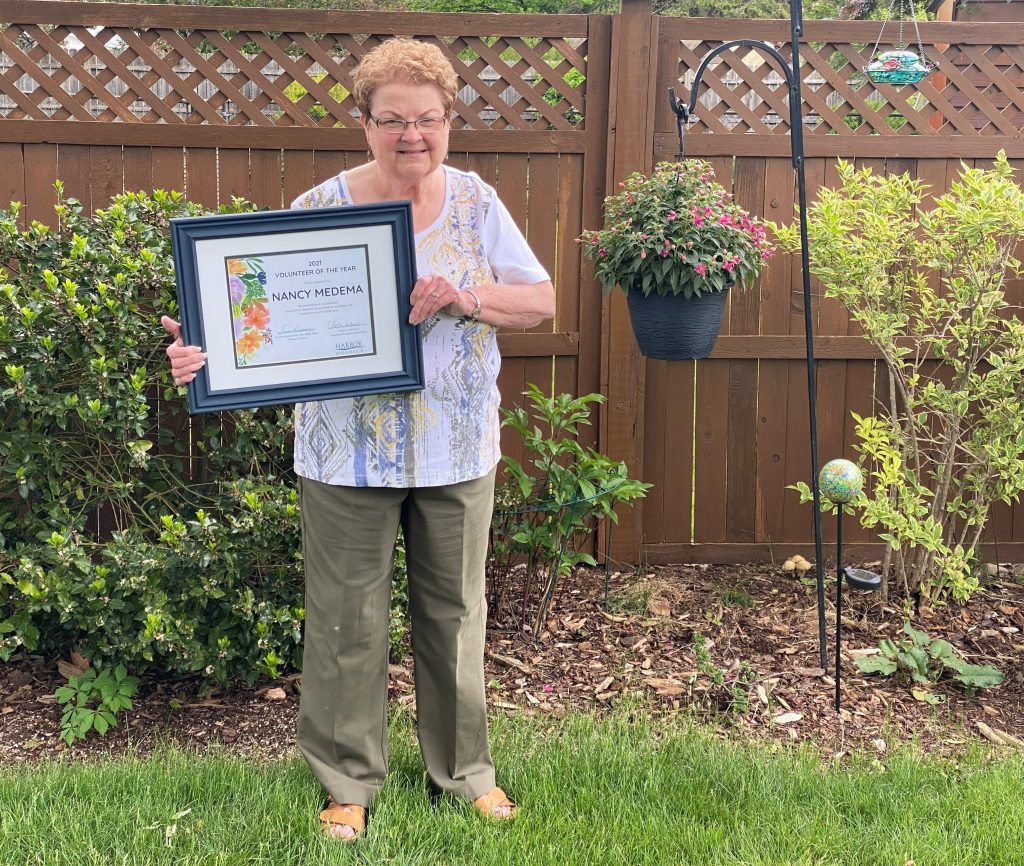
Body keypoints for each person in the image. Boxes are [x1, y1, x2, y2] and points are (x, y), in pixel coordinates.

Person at [161, 37, 555, 841]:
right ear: (364, 125)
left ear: (450, 121)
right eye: (393, 121)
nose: (413, 136)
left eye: (429, 120)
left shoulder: (479, 205)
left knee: (454, 616)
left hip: (455, 448)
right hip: (345, 454)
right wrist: (202, 353)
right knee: (346, 620)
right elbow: (253, 325)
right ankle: (347, 782)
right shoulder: (319, 210)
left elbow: (541, 301)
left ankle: (465, 772)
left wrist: (466, 298)